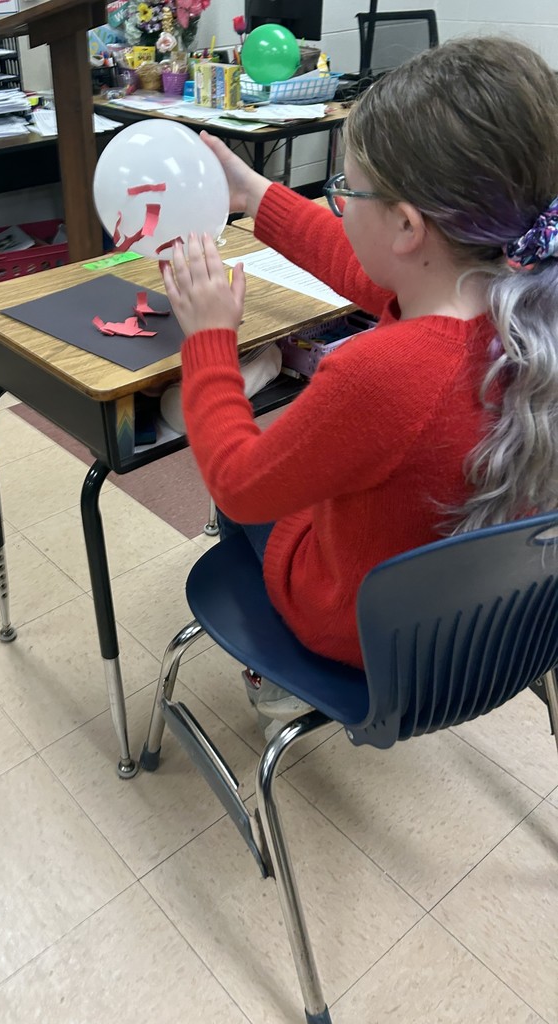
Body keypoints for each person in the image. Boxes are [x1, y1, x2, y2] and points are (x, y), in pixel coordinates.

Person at [161, 36, 558, 731]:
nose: (336, 203)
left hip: (360, 635)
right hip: (491, 631)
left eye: (343, 189)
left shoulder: (382, 375)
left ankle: (276, 674)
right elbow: (371, 272)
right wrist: (254, 193)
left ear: (407, 225)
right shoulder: (523, 298)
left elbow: (238, 481)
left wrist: (208, 340)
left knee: (243, 493)